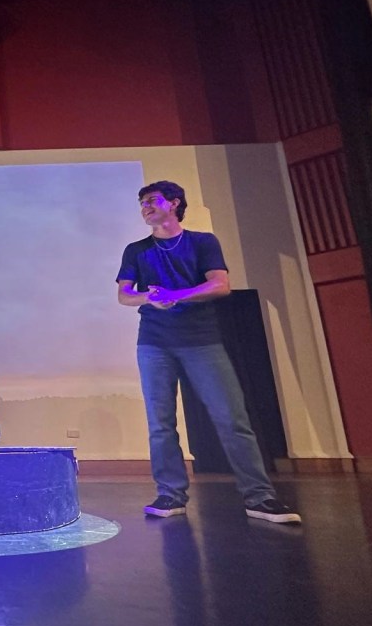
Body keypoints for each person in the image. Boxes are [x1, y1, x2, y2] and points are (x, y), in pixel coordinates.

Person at [116, 180, 301, 524]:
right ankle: (170, 494)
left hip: (203, 340)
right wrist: (150, 298)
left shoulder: (202, 242)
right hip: (154, 343)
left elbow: (220, 285)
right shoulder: (136, 250)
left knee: (232, 419)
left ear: (174, 203)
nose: (145, 207)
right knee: (160, 423)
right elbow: (124, 295)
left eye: (152, 200)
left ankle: (259, 497)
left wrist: (175, 296)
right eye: (142, 203)